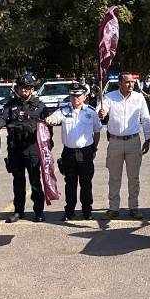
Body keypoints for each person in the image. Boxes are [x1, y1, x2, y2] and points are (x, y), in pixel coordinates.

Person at [98, 72, 150, 219]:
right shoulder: (109, 97)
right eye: (127, 82)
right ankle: (113, 208)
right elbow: (101, 110)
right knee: (114, 178)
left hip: (134, 142)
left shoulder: (139, 98)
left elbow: (145, 118)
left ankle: (134, 207)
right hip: (115, 142)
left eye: (132, 82)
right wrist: (101, 113)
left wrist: (148, 138)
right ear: (120, 83)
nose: (131, 84)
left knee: (134, 178)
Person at [0, 75, 51, 223]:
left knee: (35, 181)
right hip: (15, 148)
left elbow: (48, 130)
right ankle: (18, 211)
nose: (24, 90)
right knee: (18, 181)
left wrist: (48, 147)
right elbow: (2, 118)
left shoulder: (40, 106)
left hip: (32, 148)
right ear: (17, 89)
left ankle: (39, 211)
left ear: (32, 89)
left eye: (27, 88)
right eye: (21, 88)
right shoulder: (11, 104)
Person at [47, 81, 101, 221]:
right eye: (72, 95)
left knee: (86, 183)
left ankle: (87, 211)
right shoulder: (64, 110)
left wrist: (94, 148)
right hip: (69, 153)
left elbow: (97, 131)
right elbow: (55, 117)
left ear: (84, 96)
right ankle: (69, 211)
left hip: (86, 152)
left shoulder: (91, 112)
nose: (75, 98)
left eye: (78, 96)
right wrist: (51, 119)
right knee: (70, 184)